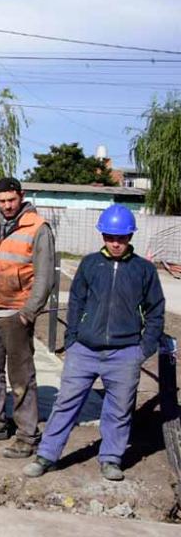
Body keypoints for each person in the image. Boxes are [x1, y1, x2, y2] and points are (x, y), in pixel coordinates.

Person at [24, 205, 165, 481]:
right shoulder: (90, 264)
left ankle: (111, 458)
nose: (115, 243)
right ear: (102, 235)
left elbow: (156, 311)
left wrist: (142, 350)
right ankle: (47, 455)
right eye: (110, 236)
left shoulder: (144, 270)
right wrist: (72, 339)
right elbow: (75, 302)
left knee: (119, 408)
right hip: (84, 350)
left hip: (125, 353)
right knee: (66, 403)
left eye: (121, 238)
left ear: (130, 237)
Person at [0, 177, 56, 459]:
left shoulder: (38, 228)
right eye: (1, 200)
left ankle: (27, 434)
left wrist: (28, 313)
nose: (6, 205)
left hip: (16, 315)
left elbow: (44, 277)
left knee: (21, 378)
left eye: (11, 200)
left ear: (21, 196)